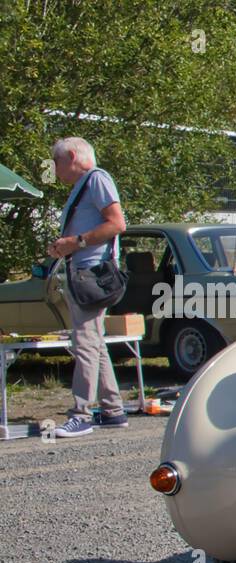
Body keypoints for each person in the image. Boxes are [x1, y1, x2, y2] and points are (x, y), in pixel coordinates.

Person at [45, 137, 128, 438]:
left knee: (85, 342)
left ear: (71, 156)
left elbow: (117, 224)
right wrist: (66, 246)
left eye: (55, 162)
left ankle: (82, 413)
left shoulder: (97, 179)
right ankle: (113, 409)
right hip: (83, 271)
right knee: (95, 340)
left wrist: (75, 243)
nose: (53, 169)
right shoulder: (88, 185)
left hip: (90, 274)